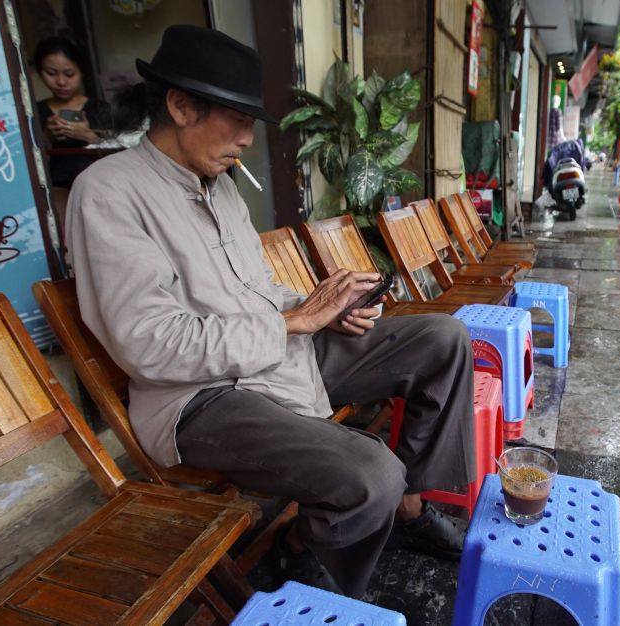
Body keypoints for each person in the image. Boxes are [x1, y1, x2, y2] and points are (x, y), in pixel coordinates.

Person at [65, 25, 475, 600]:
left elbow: (257, 292)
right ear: (181, 106)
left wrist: (322, 308)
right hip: (201, 398)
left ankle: (409, 506)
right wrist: (292, 323)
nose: (246, 137)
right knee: (370, 472)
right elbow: (149, 346)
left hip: (276, 357)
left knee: (444, 338)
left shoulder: (221, 187)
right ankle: (314, 555)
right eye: (237, 118)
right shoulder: (108, 193)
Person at [33, 37, 103, 233]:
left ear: (81, 72)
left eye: (69, 74)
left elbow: (120, 149)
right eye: (51, 73)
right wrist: (46, 137)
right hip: (57, 188)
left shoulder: (98, 108)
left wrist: (88, 135)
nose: (61, 82)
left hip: (97, 186)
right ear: (40, 73)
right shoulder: (35, 112)